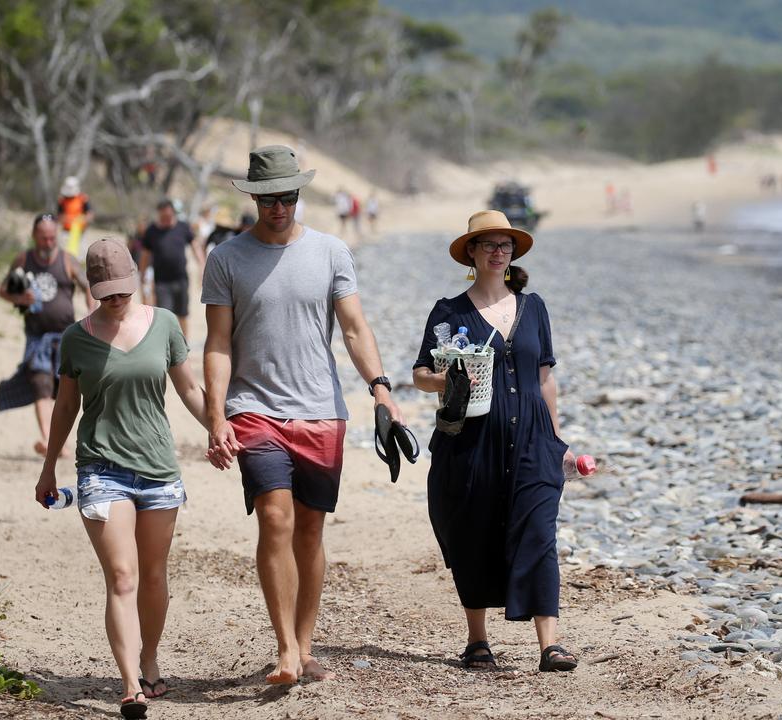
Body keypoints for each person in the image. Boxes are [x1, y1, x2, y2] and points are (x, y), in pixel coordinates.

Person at [202, 145, 403, 684]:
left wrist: (381, 389)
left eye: (287, 196)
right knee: (275, 516)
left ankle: (306, 645)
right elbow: (217, 343)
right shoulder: (226, 258)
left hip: (320, 411)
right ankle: (285, 649)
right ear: (253, 198)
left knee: (310, 531)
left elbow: (356, 329)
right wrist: (216, 416)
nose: (278, 207)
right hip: (254, 408)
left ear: (298, 194)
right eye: (268, 198)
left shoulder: (332, 251)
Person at [34, 238, 215, 719]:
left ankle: (150, 657)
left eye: (122, 291)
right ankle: (131, 684)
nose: (116, 300)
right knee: (122, 575)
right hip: (101, 469)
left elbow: (189, 388)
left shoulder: (165, 325)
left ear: (136, 281)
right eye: (106, 292)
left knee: (154, 577)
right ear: (92, 288)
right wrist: (49, 464)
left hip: (158, 469)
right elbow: (66, 406)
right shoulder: (76, 337)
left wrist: (217, 428)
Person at [411, 210, 579, 674]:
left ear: (513, 252)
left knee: (540, 533)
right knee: (473, 530)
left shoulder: (534, 307)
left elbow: (545, 379)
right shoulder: (448, 312)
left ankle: (551, 644)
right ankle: (477, 640)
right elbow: (421, 375)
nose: (497, 250)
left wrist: (556, 440)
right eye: (487, 244)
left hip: (531, 438)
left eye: (505, 244)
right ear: (472, 252)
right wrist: (449, 378)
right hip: (470, 441)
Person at [0, 213, 97, 456]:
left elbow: (89, 289)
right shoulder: (23, 260)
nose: (49, 242)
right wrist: (20, 298)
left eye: (52, 237)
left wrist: (92, 314)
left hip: (66, 336)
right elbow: (3, 290)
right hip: (36, 336)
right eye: (43, 238)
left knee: (63, 388)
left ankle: (57, 440)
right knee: (40, 383)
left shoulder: (67, 260)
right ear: (34, 237)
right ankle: (50, 440)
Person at [139, 200, 205, 342]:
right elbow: (145, 255)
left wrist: (202, 265)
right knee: (164, 315)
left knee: (183, 314)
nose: (167, 220)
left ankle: (184, 344)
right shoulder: (152, 231)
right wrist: (142, 273)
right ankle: (167, 345)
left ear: (173, 213)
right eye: (163, 217)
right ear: (159, 214)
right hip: (161, 282)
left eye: (169, 216)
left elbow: (195, 247)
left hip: (181, 279)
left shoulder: (183, 227)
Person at [57, 177, 94, 257]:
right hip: (66, 233)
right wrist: (67, 220)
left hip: (80, 233)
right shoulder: (62, 200)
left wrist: (82, 220)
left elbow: (90, 214)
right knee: (65, 254)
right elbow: (59, 216)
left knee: (81, 255)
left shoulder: (83, 199)